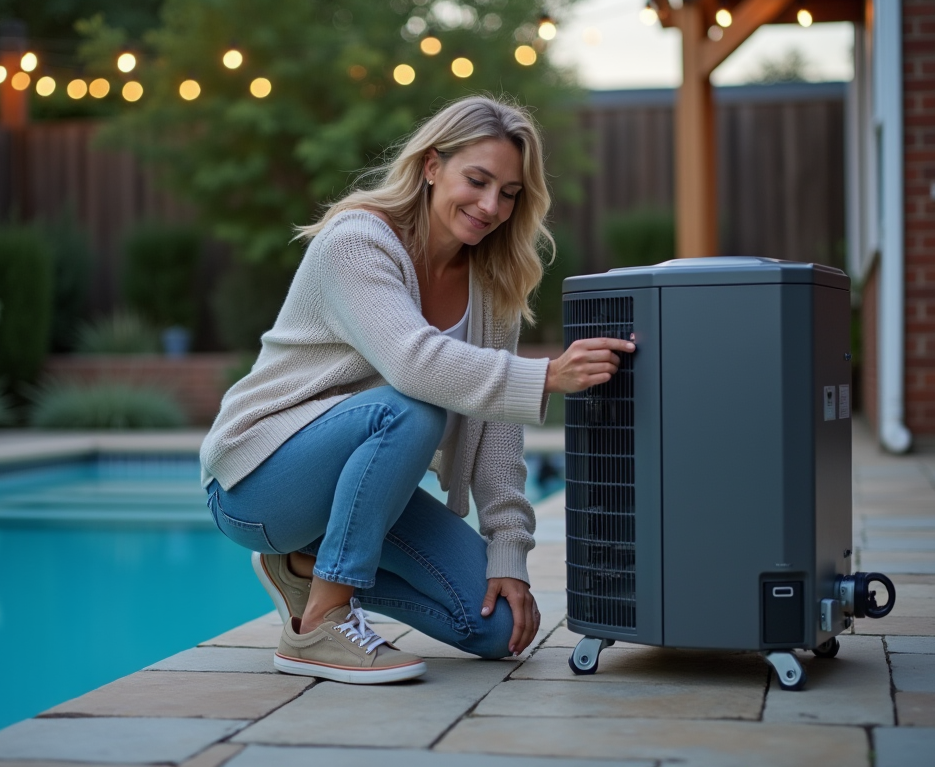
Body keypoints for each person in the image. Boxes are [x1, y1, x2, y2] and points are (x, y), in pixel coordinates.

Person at [200, 96, 634, 684]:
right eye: (477, 181)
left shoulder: (491, 283)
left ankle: (303, 565)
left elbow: (497, 431)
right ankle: (320, 624)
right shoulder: (356, 241)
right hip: (259, 483)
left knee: (500, 627)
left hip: (359, 490)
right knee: (411, 405)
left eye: (509, 194)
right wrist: (548, 376)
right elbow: (414, 364)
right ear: (432, 166)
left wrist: (510, 552)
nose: (490, 206)